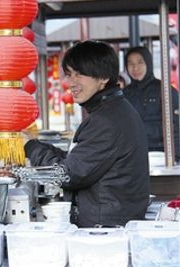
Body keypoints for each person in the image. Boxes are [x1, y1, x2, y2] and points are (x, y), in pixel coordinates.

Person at [24, 40, 150, 228]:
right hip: (111, 221)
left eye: (79, 74)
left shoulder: (106, 120)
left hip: (104, 229)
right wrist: (36, 145)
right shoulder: (112, 110)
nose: (70, 82)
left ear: (104, 77)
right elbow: (78, 160)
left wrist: (31, 148)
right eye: (69, 74)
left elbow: (68, 174)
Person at [123, 46, 180, 161]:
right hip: (134, 157)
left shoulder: (165, 90)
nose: (135, 68)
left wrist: (177, 157)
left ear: (148, 63)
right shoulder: (123, 95)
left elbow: (176, 127)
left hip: (161, 155)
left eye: (140, 62)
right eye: (131, 64)